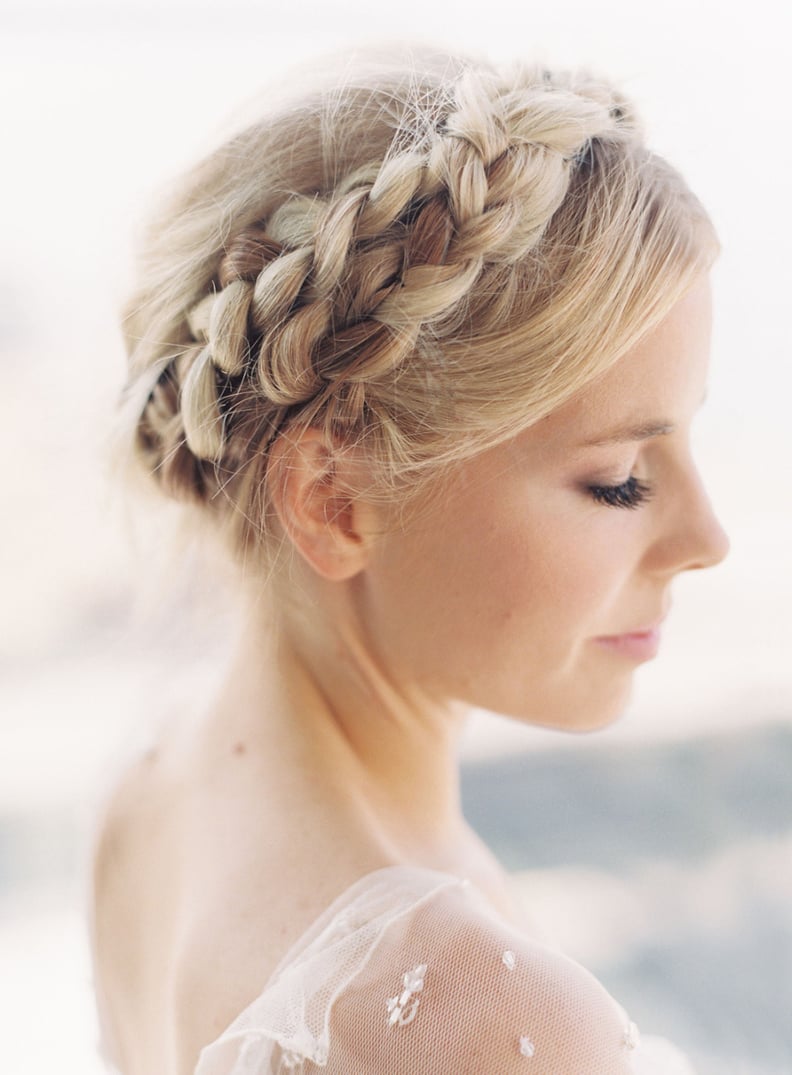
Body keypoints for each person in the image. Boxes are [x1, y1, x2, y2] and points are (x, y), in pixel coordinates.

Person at [89, 44, 729, 1075]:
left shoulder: (152, 788)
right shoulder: (477, 1017)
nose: (708, 538)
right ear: (333, 500)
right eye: (617, 479)